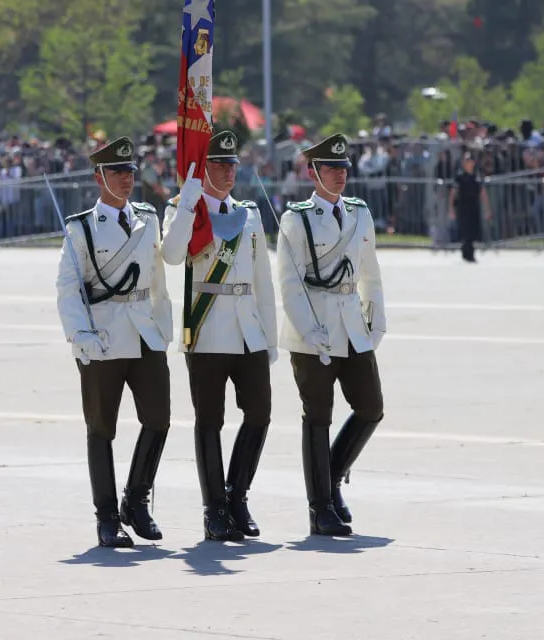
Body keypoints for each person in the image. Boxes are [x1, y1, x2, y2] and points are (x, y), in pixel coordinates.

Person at [55, 136, 173, 549]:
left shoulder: (148, 217)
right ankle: (107, 518)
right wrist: (80, 336)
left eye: (129, 172)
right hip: (102, 336)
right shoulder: (82, 227)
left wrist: (163, 323)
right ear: (99, 177)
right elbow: (68, 287)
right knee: (101, 428)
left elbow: (158, 277)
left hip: (143, 331)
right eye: (117, 173)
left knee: (159, 418)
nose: (125, 180)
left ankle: (135, 501)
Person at [161, 130, 277, 541]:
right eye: (219, 165)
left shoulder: (248, 213)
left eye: (232, 166)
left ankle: (237, 495)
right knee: (210, 420)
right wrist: (189, 200)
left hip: (248, 330)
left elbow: (263, 279)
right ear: (203, 168)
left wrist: (271, 339)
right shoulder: (184, 208)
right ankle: (214, 509)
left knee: (260, 414)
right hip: (207, 327)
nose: (228, 173)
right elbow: (172, 255)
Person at [276, 133, 386, 537]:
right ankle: (319, 507)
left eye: (343, 169)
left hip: (352, 326)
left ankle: (333, 476)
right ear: (312, 173)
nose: (340, 175)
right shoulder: (297, 218)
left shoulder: (360, 213)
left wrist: (376, 322)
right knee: (318, 418)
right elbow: (289, 284)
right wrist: (308, 329)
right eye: (331, 169)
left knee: (371, 407)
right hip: (314, 331)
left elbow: (370, 275)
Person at [449, 152, 491, 263]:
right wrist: (451, 209)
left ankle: (470, 252)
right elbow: (453, 193)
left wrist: (487, 209)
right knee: (465, 230)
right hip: (463, 207)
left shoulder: (477, 177)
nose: (468, 163)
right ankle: (466, 253)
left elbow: (483, 193)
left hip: (474, 206)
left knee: (473, 230)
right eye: (466, 161)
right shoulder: (460, 177)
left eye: (470, 161)